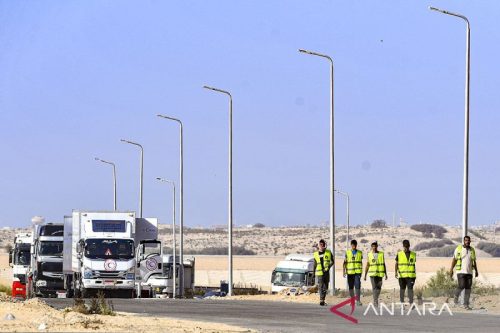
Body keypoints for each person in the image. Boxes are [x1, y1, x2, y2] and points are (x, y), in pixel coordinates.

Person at [450, 236, 479, 310]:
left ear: (470, 241)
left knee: (468, 288)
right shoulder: (459, 249)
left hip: (469, 272)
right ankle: (456, 297)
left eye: (468, 241)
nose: (467, 242)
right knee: (462, 285)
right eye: (466, 240)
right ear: (463, 241)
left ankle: (466, 304)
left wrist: (476, 270)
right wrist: (451, 270)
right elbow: (454, 260)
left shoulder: (472, 250)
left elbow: (474, 261)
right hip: (460, 271)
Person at [364, 241, 387, 307]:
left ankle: (376, 298)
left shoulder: (381, 254)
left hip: (380, 273)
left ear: (377, 246)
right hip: (372, 273)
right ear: (371, 247)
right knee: (374, 287)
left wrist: (386, 274)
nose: (374, 247)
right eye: (373, 246)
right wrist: (365, 275)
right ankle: (375, 301)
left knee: (379, 287)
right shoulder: (369, 254)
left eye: (375, 246)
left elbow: (383, 264)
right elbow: (367, 265)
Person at [395, 239, 416, 304]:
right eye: (405, 246)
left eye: (407, 246)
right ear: (403, 246)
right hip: (402, 276)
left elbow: (413, 265)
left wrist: (414, 274)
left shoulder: (413, 254)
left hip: (411, 276)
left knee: (410, 289)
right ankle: (402, 302)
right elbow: (396, 264)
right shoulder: (399, 254)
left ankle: (411, 303)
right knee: (402, 289)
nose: (406, 248)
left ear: (409, 246)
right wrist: (395, 272)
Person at [313, 239, 333, 306]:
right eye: (320, 244)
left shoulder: (329, 252)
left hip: (326, 272)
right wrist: (313, 273)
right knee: (321, 286)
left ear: (324, 245)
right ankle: (321, 300)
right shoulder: (315, 254)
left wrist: (328, 267)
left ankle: (323, 299)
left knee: (326, 287)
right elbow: (315, 264)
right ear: (318, 246)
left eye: (323, 244)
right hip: (319, 273)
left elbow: (332, 261)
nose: (321, 245)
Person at [343, 239, 363, 306]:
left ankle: (358, 300)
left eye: (354, 245)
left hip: (357, 272)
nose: (353, 246)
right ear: (351, 245)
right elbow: (344, 263)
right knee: (351, 287)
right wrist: (344, 271)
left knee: (357, 286)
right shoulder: (347, 252)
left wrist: (361, 272)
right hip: (350, 272)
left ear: (356, 245)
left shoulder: (360, 253)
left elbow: (361, 262)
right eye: (352, 245)